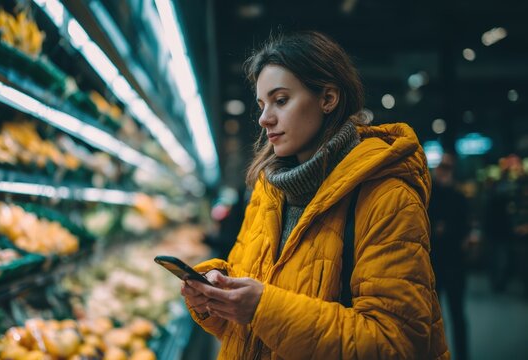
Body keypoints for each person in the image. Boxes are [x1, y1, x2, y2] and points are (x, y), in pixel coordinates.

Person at [181, 31, 449, 359]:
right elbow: (244, 332)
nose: (265, 118)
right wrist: (215, 297)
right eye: (262, 105)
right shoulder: (269, 192)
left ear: (328, 99)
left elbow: (397, 343)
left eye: (281, 100)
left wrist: (263, 308)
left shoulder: (387, 197)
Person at [428, 153, 470, 360]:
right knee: (433, 318)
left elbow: (465, 228)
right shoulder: (429, 195)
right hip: (434, 265)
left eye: (447, 167)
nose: (443, 171)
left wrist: (446, 230)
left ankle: (462, 355)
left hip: (454, 264)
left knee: (457, 314)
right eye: (441, 166)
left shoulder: (459, 198)